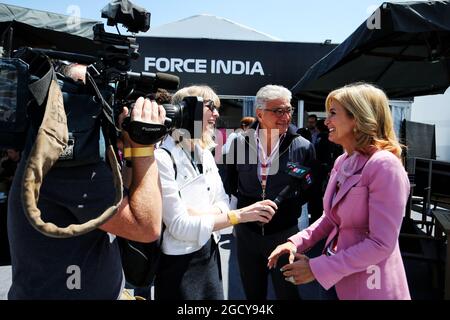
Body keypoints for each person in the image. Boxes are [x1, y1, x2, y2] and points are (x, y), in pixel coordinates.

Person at [7, 69, 165, 299]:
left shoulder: (69, 150)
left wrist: (131, 145)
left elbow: (126, 198)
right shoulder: (67, 160)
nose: (100, 101)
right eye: (86, 89)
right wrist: (144, 146)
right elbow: (145, 227)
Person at [268, 83, 411, 300]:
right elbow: (331, 218)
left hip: (371, 287)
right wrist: (295, 242)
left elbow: (381, 244)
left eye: (333, 113)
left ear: (358, 118)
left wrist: (319, 267)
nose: (326, 121)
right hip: (335, 280)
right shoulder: (343, 161)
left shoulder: (384, 165)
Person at [154, 85, 277, 300]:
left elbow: (222, 201)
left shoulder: (205, 153)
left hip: (209, 253)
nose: (217, 114)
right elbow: (180, 227)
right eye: (210, 106)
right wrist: (238, 216)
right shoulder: (163, 157)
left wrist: (197, 214)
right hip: (178, 264)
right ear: (186, 109)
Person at [224, 84, 315, 300]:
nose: (286, 117)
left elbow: (309, 189)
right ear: (259, 114)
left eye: (289, 110)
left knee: (288, 293)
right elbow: (230, 183)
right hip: (247, 235)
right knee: (253, 294)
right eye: (278, 111)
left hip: (284, 234)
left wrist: (285, 207)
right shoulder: (238, 143)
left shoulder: (302, 146)